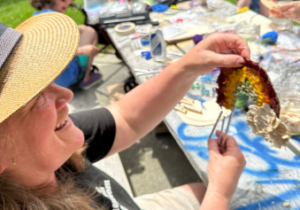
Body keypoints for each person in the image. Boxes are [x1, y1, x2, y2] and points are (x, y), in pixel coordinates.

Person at [0, 13, 248, 210]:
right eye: (33, 97)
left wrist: (188, 66)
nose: (66, 95)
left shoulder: (44, 151)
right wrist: (220, 193)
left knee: (199, 189)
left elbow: (125, 119)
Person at [30, 0, 103, 90]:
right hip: (70, 77)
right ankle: (85, 79)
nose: (68, 2)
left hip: (53, 80)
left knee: (81, 29)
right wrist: (82, 50)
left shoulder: (36, 18)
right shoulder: (57, 20)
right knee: (91, 32)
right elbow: (54, 52)